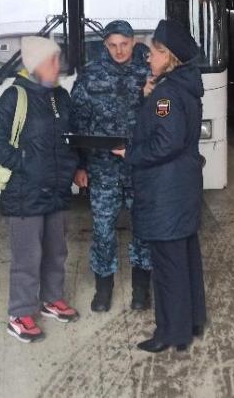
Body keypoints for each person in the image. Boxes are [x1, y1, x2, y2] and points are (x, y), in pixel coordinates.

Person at [112, 20, 207, 353]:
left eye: (153, 52)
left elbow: (166, 142)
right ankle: (190, 323)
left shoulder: (167, 93)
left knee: (168, 266)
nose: (147, 57)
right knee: (184, 259)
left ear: (169, 57)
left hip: (166, 192)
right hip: (181, 187)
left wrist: (130, 153)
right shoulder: (182, 87)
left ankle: (170, 333)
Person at [0, 36, 81, 343]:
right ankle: (21, 313)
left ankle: (51, 299)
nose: (59, 65)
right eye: (53, 60)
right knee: (28, 256)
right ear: (36, 64)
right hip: (25, 191)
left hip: (56, 190)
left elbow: (71, 137)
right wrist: (25, 163)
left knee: (56, 250)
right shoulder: (14, 97)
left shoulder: (61, 96)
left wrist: (77, 167)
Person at [71, 20, 153, 313]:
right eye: (113, 45)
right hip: (102, 168)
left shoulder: (149, 72)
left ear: (133, 42)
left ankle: (141, 290)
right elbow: (77, 122)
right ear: (105, 45)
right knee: (103, 229)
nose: (119, 51)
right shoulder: (90, 75)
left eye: (125, 44)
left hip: (140, 167)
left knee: (144, 227)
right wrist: (79, 166)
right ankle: (103, 289)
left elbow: (162, 118)